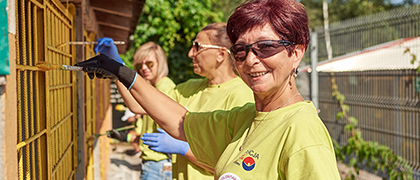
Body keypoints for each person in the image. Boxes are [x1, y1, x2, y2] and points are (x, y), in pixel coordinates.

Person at [77, 0, 341, 178]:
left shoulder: (302, 131)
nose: (250, 60)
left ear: (296, 53)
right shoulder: (245, 118)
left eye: (266, 47)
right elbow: (181, 122)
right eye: (241, 50)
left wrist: (182, 149)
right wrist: (121, 71)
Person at [141, 23, 254, 180]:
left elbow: (234, 166)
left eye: (197, 46)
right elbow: (141, 104)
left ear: (221, 54)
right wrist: (119, 71)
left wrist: (185, 149)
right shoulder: (190, 88)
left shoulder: (241, 96)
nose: (190, 53)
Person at [96, 39, 176, 180]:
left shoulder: (165, 88)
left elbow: (136, 105)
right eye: (140, 65)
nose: (144, 68)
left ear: (161, 63)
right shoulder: (157, 87)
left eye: (149, 64)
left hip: (157, 165)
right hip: (155, 164)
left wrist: (118, 70)